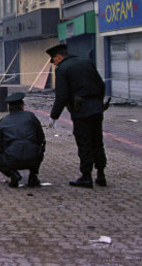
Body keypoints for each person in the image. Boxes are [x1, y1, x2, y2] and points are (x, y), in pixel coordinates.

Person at [47, 43, 108, 188]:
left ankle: (86, 176)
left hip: (81, 111)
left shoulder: (62, 69)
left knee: (84, 142)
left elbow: (62, 95)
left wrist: (54, 116)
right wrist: (98, 102)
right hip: (96, 109)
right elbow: (101, 85)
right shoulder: (87, 62)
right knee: (97, 141)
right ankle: (101, 174)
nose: (54, 63)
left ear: (58, 57)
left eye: (53, 60)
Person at [0, 92, 46, 188]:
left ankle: (13, 174)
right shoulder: (31, 117)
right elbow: (41, 137)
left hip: (12, 158)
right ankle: (33, 176)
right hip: (33, 157)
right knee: (39, 148)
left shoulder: (2, 122)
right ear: (22, 106)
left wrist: (6, 153)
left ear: (9, 108)